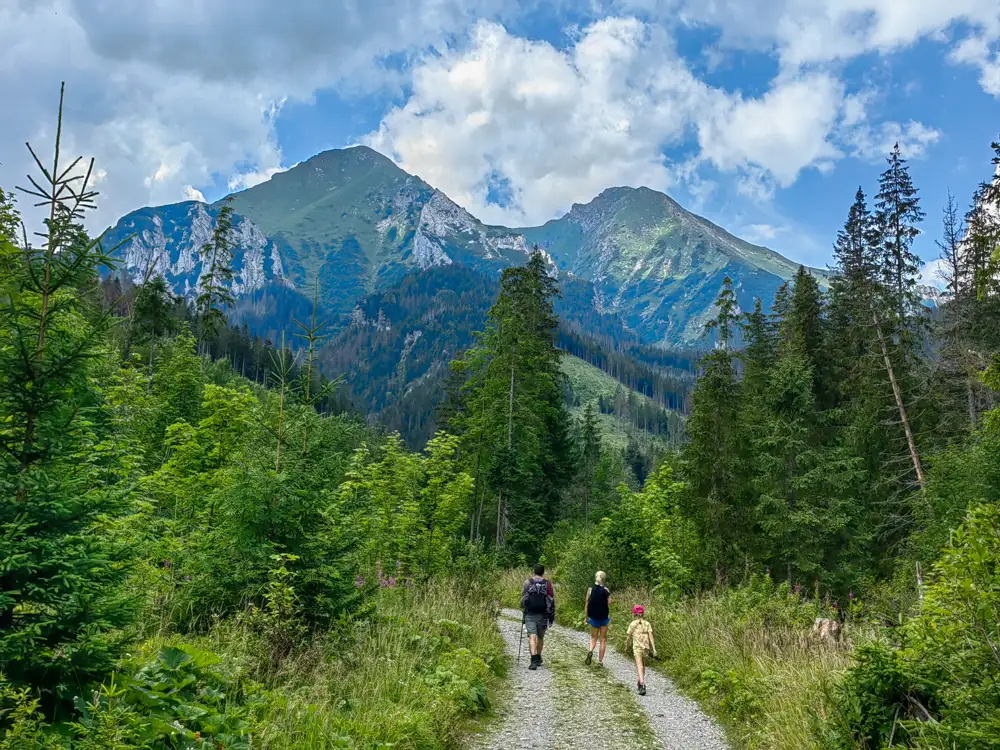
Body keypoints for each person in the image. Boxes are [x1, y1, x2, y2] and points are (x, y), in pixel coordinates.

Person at [520, 563, 555, 670]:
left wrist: (523, 608)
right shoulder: (548, 583)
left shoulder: (528, 582)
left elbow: (523, 598)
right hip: (543, 615)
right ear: (543, 572)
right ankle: (538, 657)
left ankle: (533, 660)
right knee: (540, 637)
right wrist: (551, 615)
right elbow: (551, 599)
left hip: (530, 614)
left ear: (534, 571)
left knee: (532, 636)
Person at [625, 605, 656, 695]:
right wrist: (654, 649)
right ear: (643, 614)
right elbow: (651, 637)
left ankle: (642, 684)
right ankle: (640, 681)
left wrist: (626, 647)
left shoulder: (632, 624)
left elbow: (628, 638)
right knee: (643, 666)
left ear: (634, 614)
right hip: (646, 648)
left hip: (637, 647)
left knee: (639, 666)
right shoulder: (647, 624)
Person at [583, 570, 611, 666]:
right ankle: (600, 661)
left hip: (594, 618)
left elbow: (586, 604)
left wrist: (586, 618)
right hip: (604, 618)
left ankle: (590, 651)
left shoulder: (590, 589)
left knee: (593, 638)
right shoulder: (606, 590)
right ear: (604, 579)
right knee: (603, 639)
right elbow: (609, 602)